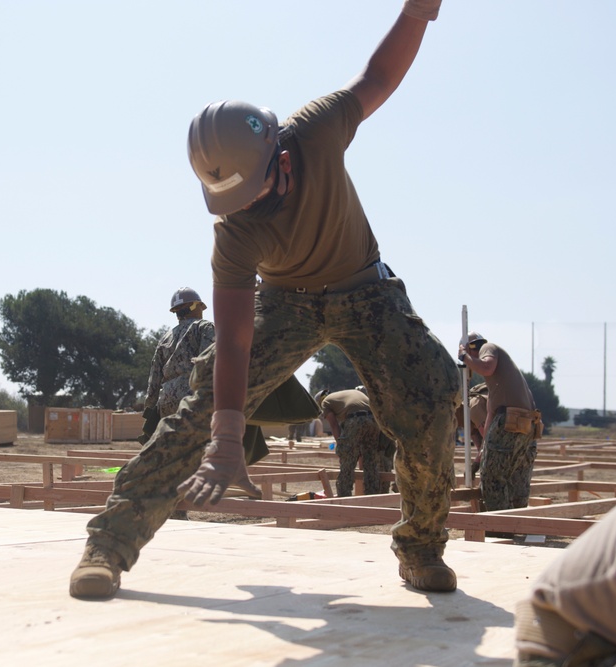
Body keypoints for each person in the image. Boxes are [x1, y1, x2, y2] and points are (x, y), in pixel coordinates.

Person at [70, 0, 459, 600]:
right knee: (196, 412)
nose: (247, 208)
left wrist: (417, 12)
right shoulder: (234, 232)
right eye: (235, 202)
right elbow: (232, 340)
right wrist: (227, 437)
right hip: (286, 302)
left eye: (254, 194)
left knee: (432, 394)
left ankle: (421, 549)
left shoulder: (317, 131)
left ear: (280, 156)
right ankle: (108, 545)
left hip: (365, 289)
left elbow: (377, 78)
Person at [512, 199, 616, 667]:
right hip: (567, 633)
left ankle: (504, 520)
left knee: (506, 484)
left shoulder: (494, 362)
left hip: (514, 434)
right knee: (505, 488)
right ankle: (503, 522)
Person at [458, 333, 541, 513]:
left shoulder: (488, 348)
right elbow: (489, 419)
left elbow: (486, 367)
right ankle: (516, 521)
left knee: (492, 477)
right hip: (527, 422)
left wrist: (463, 356)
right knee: (516, 475)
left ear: (472, 348)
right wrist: (480, 457)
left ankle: (500, 527)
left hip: (510, 420)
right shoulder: (497, 387)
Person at [139, 288, 215, 444]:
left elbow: (154, 380)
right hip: (192, 399)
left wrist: (150, 411)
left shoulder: (165, 338)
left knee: (172, 448)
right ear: (196, 306)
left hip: (166, 402)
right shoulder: (204, 327)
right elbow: (208, 364)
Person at [318, 388, 395, 497]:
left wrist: (342, 446)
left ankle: (344, 498)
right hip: (374, 420)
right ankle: (371, 497)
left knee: (347, 462)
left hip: (355, 418)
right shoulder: (347, 395)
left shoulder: (326, 403)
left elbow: (334, 426)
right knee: (371, 461)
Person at [455, 383, 488, 477]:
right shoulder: (468, 420)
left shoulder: (475, 410)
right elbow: (480, 447)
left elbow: (488, 442)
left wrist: (475, 465)